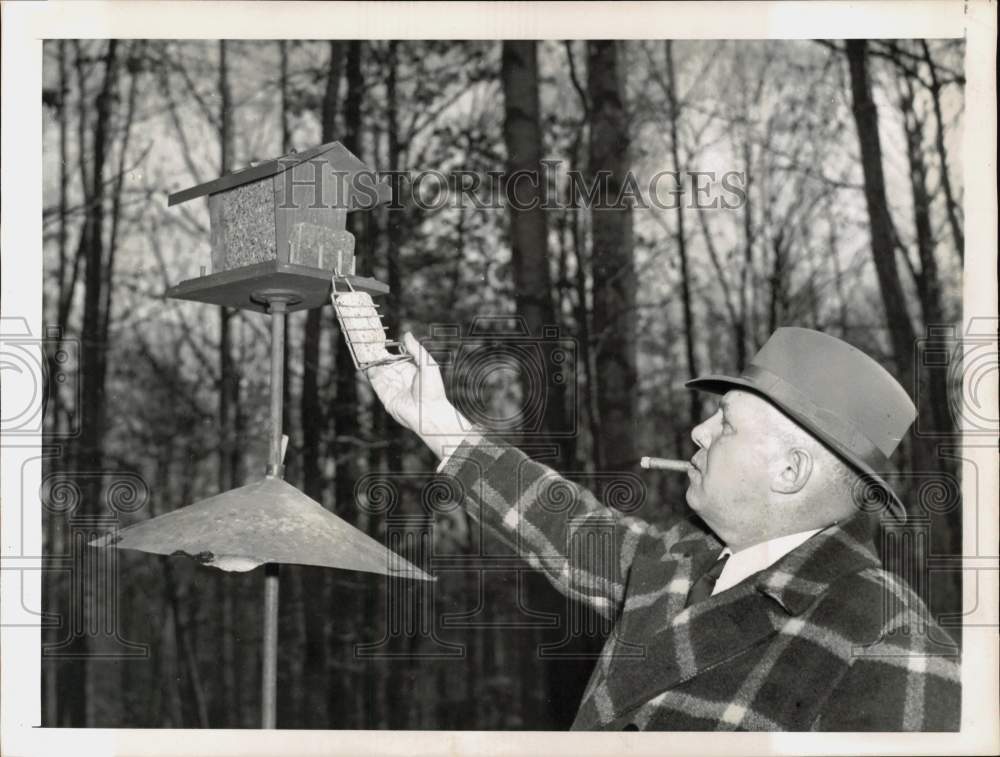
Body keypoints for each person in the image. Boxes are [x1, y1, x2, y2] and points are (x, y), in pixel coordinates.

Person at [366, 326, 961, 731]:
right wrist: (440, 425)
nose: (699, 433)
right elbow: (567, 525)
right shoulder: (685, 558)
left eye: (725, 424)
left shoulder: (894, 641)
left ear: (789, 469)